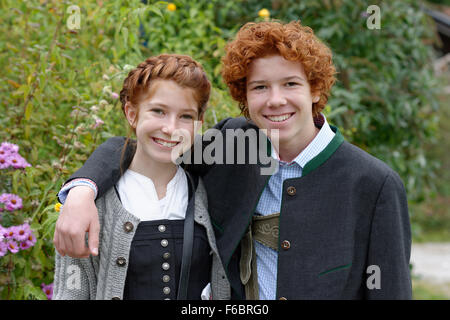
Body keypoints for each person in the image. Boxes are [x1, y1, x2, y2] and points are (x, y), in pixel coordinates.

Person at [54, 21, 412, 299]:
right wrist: (82, 190)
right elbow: (150, 144)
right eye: (259, 87)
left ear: (315, 88)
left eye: (290, 84)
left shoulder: (373, 185)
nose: (275, 101)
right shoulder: (236, 149)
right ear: (243, 96)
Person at [52, 54, 230, 300]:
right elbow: (71, 293)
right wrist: (81, 190)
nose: (171, 128)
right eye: (158, 111)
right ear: (132, 113)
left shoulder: (207, 192)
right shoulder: (89, 204)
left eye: (186, 116)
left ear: (198, 124)